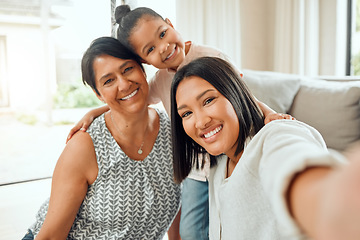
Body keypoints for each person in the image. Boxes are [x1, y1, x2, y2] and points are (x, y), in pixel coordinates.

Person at [66, 5, 294, 240]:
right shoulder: (161, 81)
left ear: (170, 23)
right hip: (197, 165)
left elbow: (242, 93)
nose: (164, 48)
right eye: (151, 49)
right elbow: (134, 98)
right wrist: (94, 112)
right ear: (145, 61)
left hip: (231, 151)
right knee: (191, 231)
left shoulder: (210, 56)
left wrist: (269, 114)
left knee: (239, 219)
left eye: (163, 34)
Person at [170, 56, 359, 239]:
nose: (201, 122)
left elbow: (291, 159)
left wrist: (327, 202)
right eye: (187, 113)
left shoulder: (274, 136)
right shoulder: (218, 164)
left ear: (235, 92)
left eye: (208, 100)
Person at [22, 37, 181, 240]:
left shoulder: (172, 131)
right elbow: (51, 236)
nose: (124, 84)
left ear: (143, 70)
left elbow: (176, 200)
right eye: (109, 81)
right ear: (99, 94)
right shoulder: (84, 146)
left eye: (127, 70)